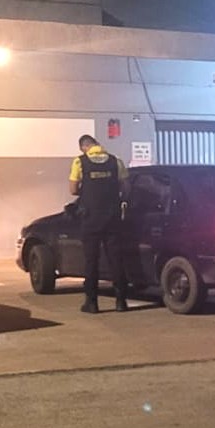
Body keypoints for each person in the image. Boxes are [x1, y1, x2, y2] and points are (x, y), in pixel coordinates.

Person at [69, 134, 130, 313]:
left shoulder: (80, 162)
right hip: (112, 217)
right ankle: (121, 301)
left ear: (84, 147)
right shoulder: (115, 161)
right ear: (97, 144)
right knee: (116, 259)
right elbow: (126, 188)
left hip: (91, 219)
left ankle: (92, 303)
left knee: (91, 260)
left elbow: (73, 189)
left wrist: (88, 190)